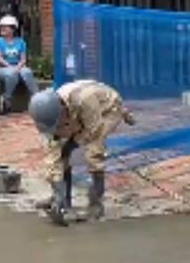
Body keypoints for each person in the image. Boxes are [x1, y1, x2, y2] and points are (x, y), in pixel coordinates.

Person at [28, 81, 136, 226]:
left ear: (62, 111)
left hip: (107, 109)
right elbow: (53, 155)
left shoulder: (85, 99)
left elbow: (93, 130)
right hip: (77, 113)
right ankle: (62, 200)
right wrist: (58, 193)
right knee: (60, 150)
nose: (57, 128)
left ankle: (95, 205)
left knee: (93, 151)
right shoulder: (48, 112)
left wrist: (73, 142)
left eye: (58, 124)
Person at [0, 16, 39, 112]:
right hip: (1, 69)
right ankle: (7, 100)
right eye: (1, 26)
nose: (2, 29)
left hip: (18, 67)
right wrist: (11, 67)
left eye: (5, 27)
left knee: (27, 72)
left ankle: (37, 99)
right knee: (12, 73)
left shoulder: (20, 42)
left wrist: (18, 67)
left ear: (12, 29)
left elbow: (23, 59)